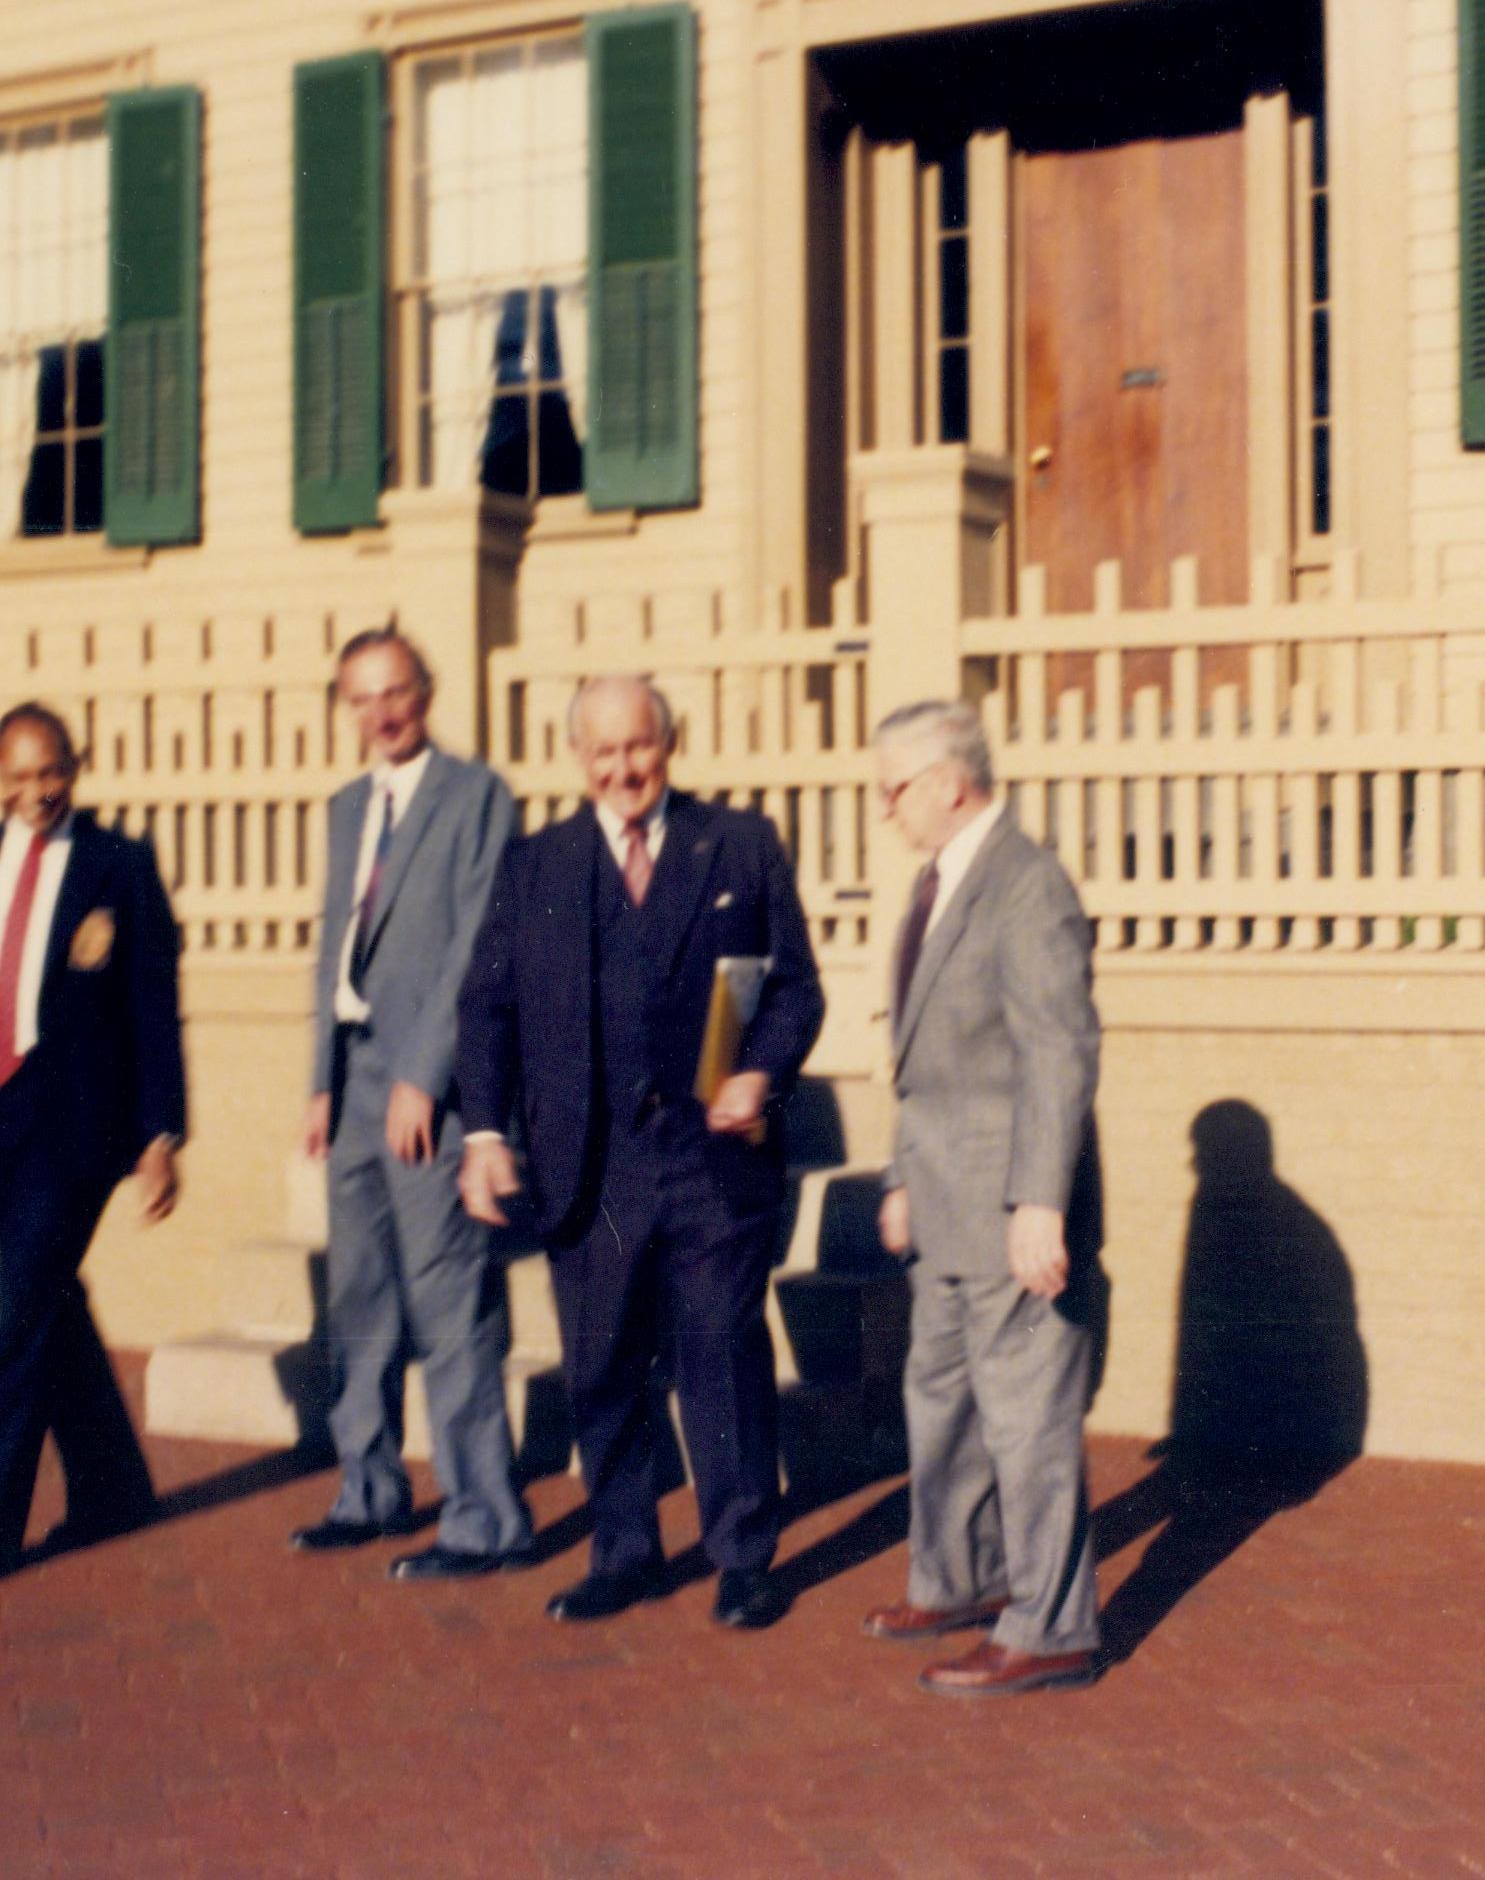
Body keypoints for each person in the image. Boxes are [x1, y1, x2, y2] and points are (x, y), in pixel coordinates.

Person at [457, 675, 824, 1630]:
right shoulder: (535, 865)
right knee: (601, 1360)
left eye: (640, 747)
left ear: (670, 743)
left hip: (711, 1156)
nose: (624, 768)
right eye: (603, 752)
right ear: (577, 759)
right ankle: (623, 1551)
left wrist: (758, 1073)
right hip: (590, 1161)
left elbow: (790, 991)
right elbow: (486, 1006)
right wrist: (485, 1134)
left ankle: (743, 1555)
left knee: (720, 1351)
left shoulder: (737, 844)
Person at [0, 702, 185, 1586]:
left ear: (76, 765)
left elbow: (151, 1006)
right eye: (18, 776)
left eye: (50, 771)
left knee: (22, 1306)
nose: (36, 792)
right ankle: (115, 1489)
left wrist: (159, 1134)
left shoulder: (119, 867)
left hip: (79, 1131)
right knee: (45, 1297)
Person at [861, 699, 1105, 1695]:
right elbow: (927, 1060)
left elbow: (1058, 1050)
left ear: (945, 781)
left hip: (1010, 1211)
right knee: (942, 1403)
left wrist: (1038, 1203)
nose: (885, 810)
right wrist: (899, 1178)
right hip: (943, 1203)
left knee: (1026, 1420)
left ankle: (1050, 1627)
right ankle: (959, 1577)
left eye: (892, 789)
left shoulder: (1025, 886)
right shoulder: (940, 882)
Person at [289, 629, 534, 1577]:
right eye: (361, 697)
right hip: (350, 1075)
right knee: (358, 1296)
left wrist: (424, 1076)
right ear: (345, 707)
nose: (381, 711)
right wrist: (318, 1076)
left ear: (425, 692)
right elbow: (333, 947)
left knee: (447, 1297)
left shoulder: (476, 797)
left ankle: (485, 1518)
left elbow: (478, 940)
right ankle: (369, 1489)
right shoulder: (348, 807)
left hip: (424, 1079)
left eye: (395, 691)